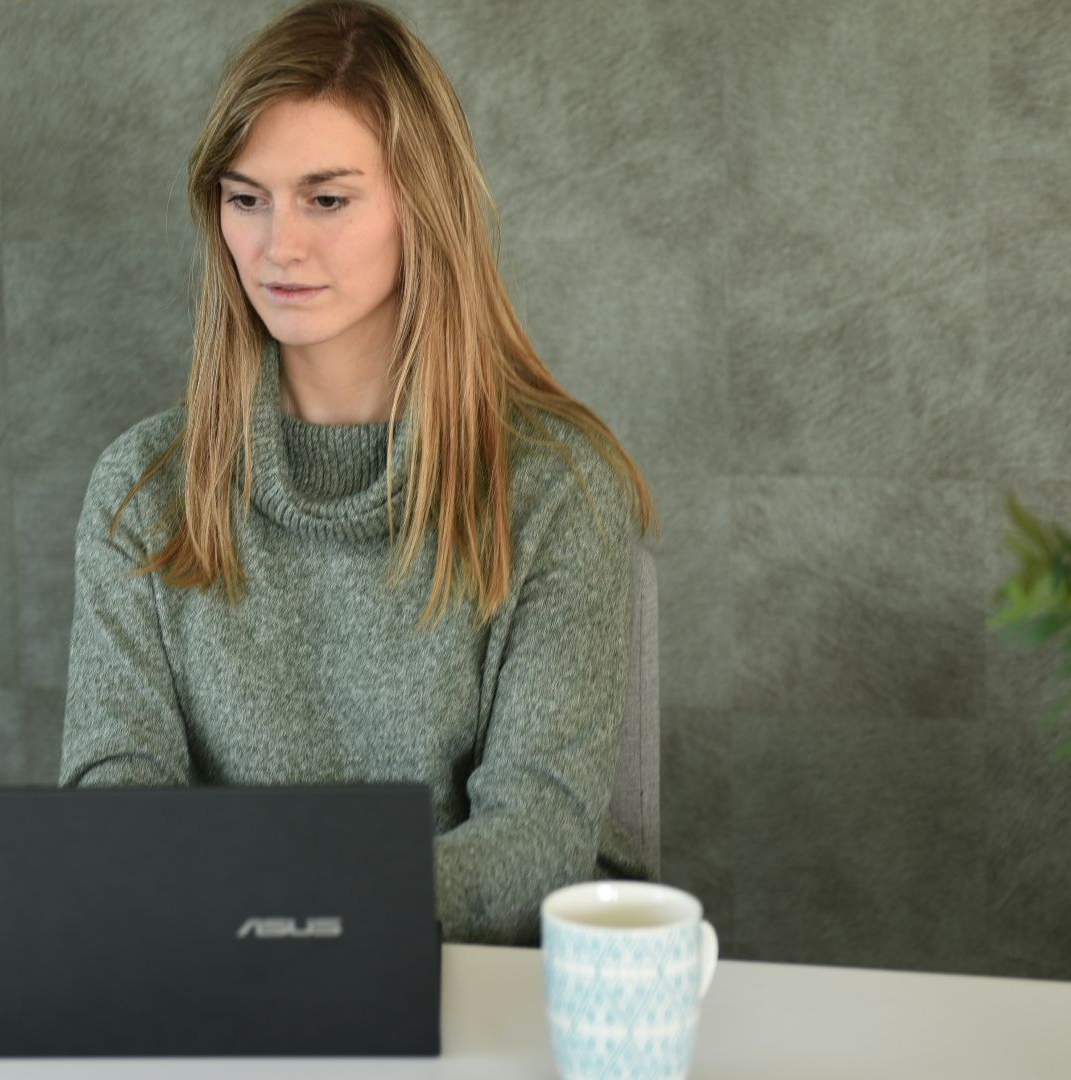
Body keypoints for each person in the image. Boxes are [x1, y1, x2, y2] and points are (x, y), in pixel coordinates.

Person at [57, 0, 661, 947]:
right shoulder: (142, 486)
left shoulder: (559, 490)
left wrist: (306, 913)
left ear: (424, 204)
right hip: (215, 990)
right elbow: (112, 794)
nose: (276, 245)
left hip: (468, 987)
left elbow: (537, 832)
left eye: (327, 199)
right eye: (245, 197)